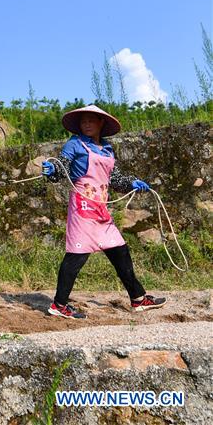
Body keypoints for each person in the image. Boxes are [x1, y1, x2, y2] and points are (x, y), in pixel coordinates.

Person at [41, 105, 166, 319]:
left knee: (120, 251)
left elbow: (113, 179)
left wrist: (131, 183)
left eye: (91, 120)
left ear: (101, 124)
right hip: (82, 208)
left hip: (101, 209)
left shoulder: (107, 148)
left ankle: (138, 298)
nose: (86, 124)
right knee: (76, 256)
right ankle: (59, 305)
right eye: (83, 121)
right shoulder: (74, 144)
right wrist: (53, 171)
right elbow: (62, 166)